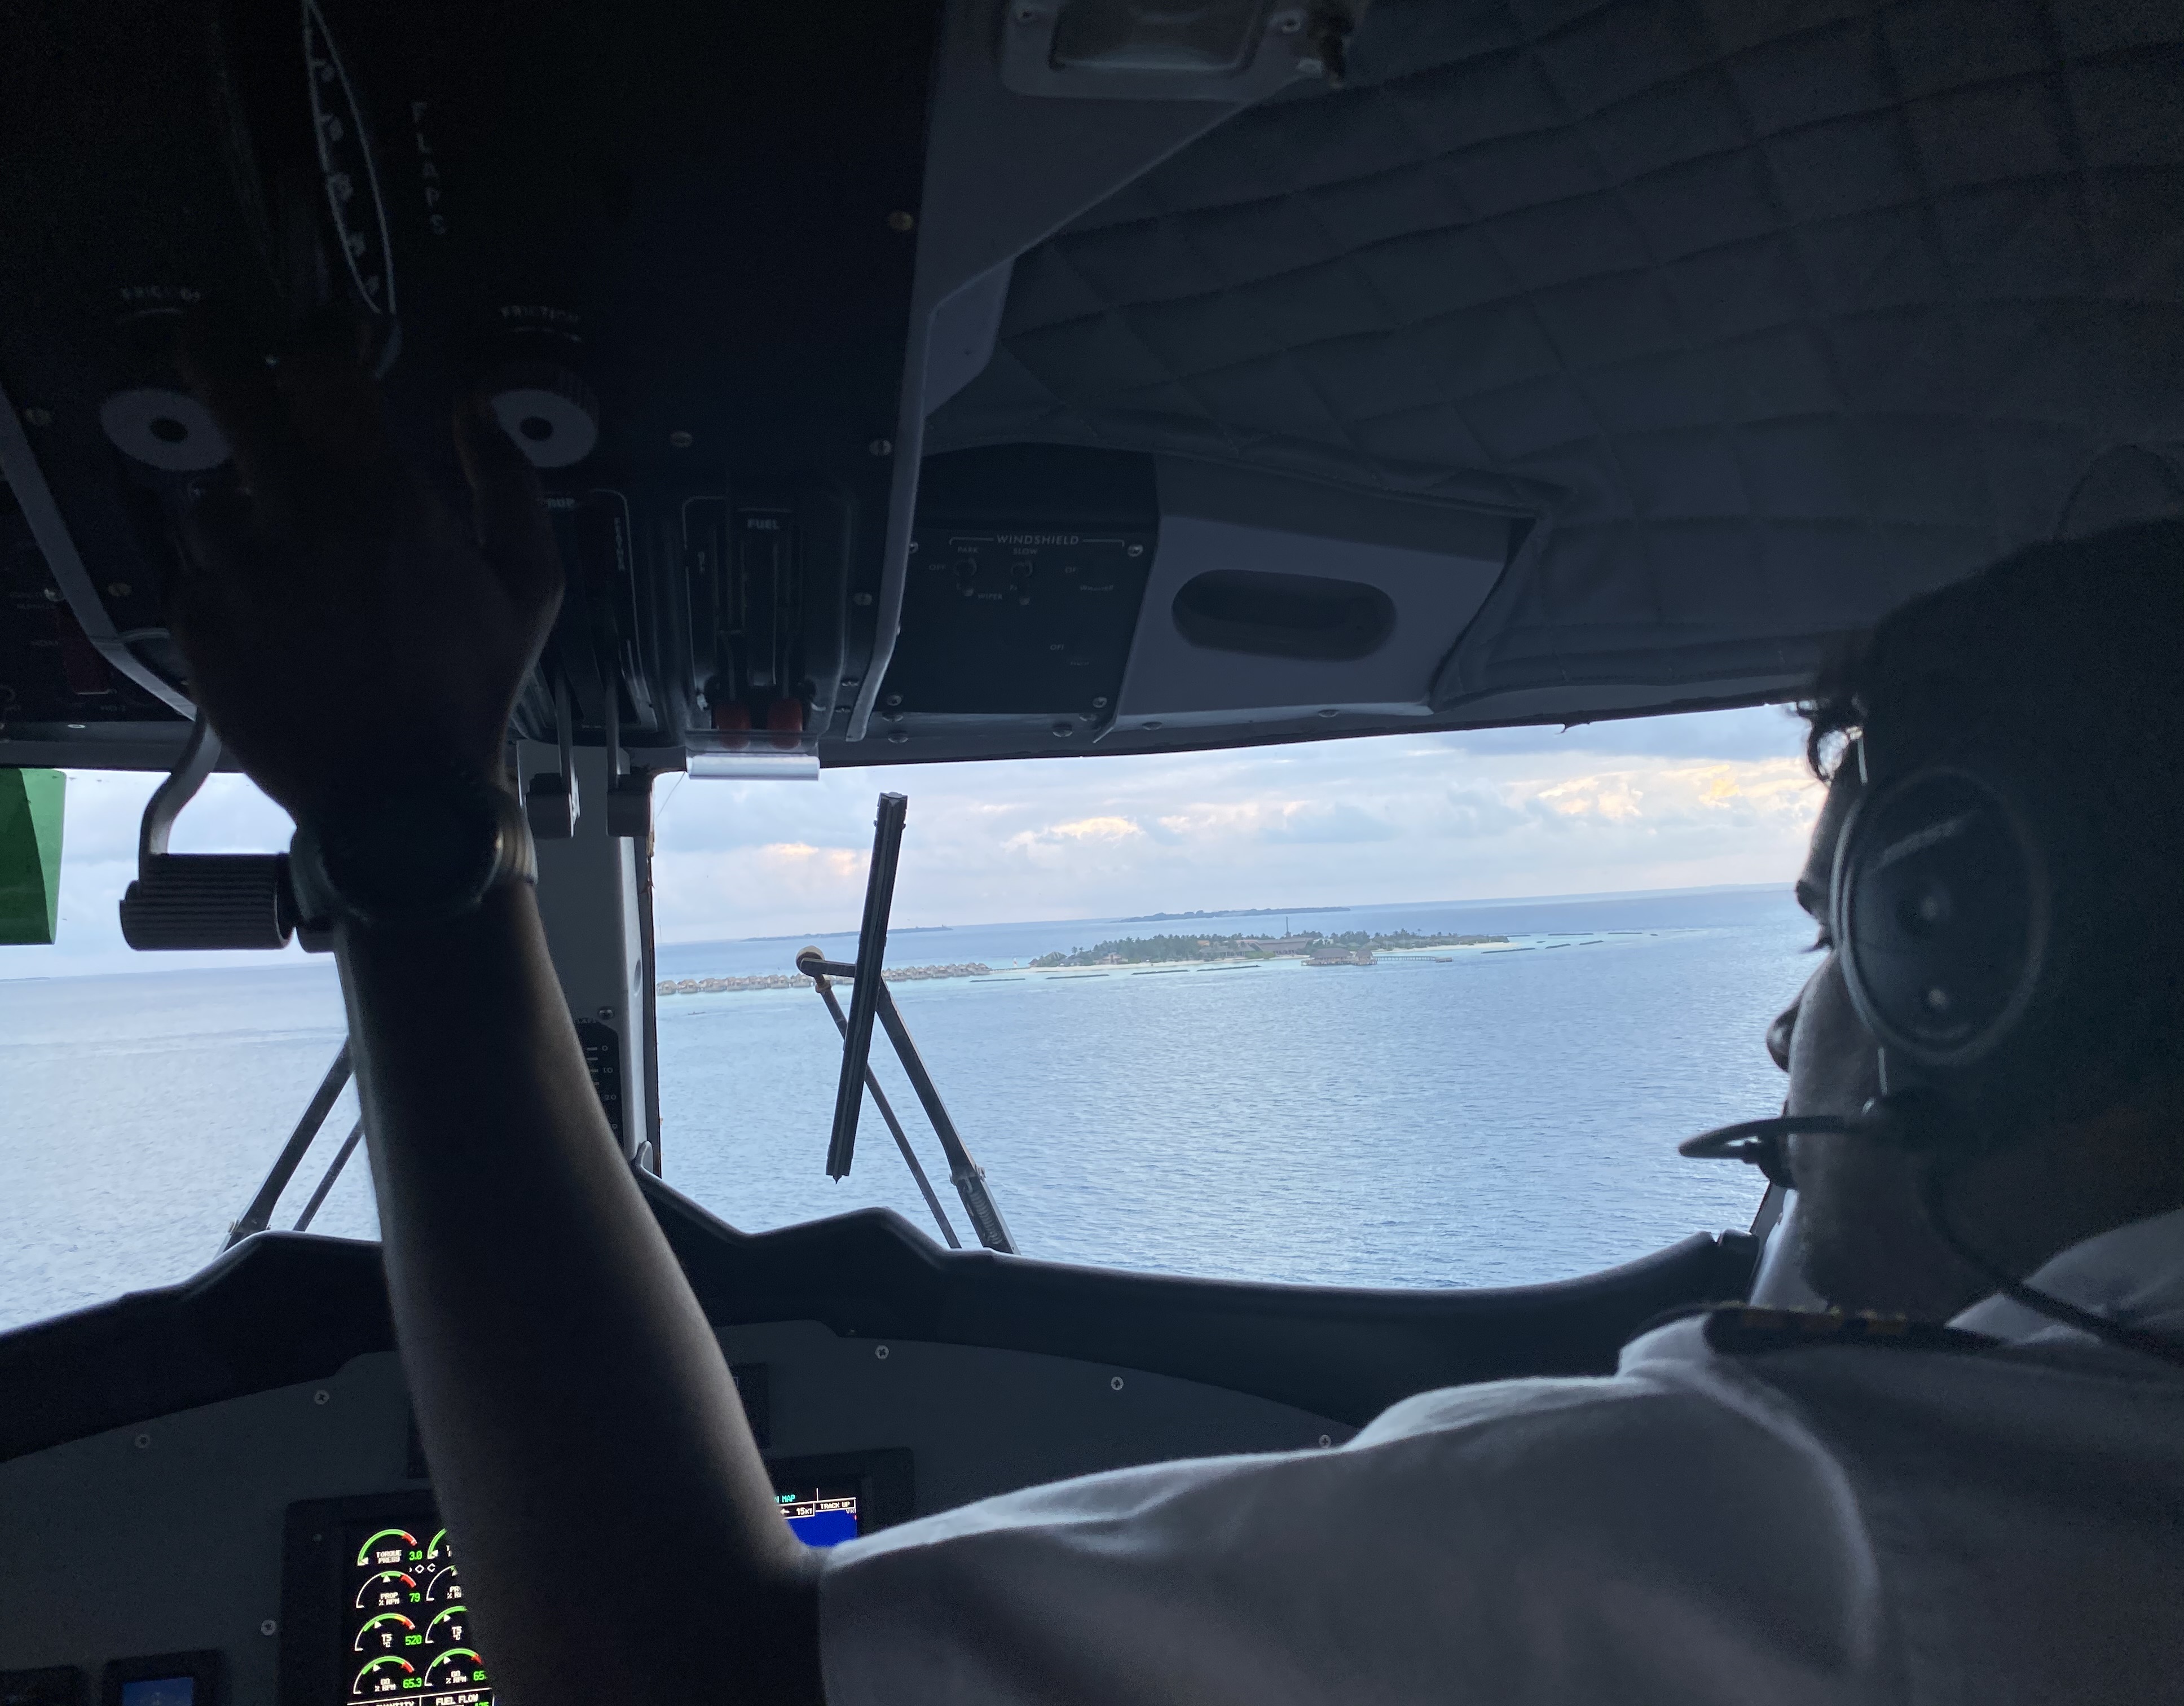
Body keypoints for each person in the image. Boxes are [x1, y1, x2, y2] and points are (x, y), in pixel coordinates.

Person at [166, 314, 2184, 1706]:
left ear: (1970, 944)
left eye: (1825, 938)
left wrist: (404, 808)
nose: (1789, 1039)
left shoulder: (1855, 1537)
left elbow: (674, 1673)